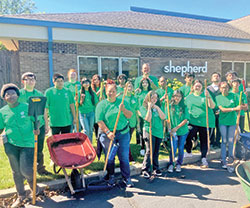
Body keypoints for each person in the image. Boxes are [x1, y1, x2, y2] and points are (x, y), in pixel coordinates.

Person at [0, 84, 40, 207]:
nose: (10, 96)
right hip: (11, 144)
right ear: (4, 98)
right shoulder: (2, 112)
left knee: (26, 170)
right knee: (16, 171)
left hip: (27, 143)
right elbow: (1, 128)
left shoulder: (27, 107)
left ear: (17, 95)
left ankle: (34, 187)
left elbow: (37, 120)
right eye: (7, 94)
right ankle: (21, 195)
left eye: (12, 93)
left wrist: (36, 129)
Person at [95, 79, 134, 187]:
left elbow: (129, 115)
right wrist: (108, 132)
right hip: (108, 134)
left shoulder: (123, 102)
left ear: (116, 91)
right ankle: (111, 176)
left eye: (113, 91)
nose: (111, 93)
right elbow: (99, 121)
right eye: (109, 91)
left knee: (124, 157)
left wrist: (123, 110)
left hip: (123, 133)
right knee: (110, 157)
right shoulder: (101, 105)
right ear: (105, 91)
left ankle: (126, 177)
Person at [18, 72, 51, 175]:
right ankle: (26, 171)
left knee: (39, 148)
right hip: (26, 127)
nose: (31, 81)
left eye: (33, 79)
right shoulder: (19, 94)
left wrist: (46, 125)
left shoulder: (39, 94)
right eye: (28, 79)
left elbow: (44, 110)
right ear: (23, 81)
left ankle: (40, 168)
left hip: (39, 125)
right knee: (27, 149)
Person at [185, 80, 216, 167]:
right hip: (193, 121)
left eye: (199, 86)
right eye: (196, 86)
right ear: (193, 87)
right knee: (188, 135)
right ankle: (188, 151)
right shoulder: (189, 97)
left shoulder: (206, 96)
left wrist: (208, 97)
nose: (197, 87)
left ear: (202, 87)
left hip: (206, 122)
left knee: (204, 140)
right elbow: (184, 106)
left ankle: (203, 157)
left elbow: (212, 106)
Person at [139, 91, 166, 178]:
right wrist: (149, 108)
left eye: (155, 98)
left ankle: (155, 168)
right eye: (152, 98)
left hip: (158, 131)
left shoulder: (159, 106)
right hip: (149, 130)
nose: (154, 100)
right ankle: (145, 169)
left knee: (156, 151)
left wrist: (157, 108)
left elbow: (163, 117)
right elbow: (147, 119)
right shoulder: (143, 107)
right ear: (148, 98)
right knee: (149, 150)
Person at [215, 81, 241, 168]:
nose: (224, 89)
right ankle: (223, 159)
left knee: (230, 140)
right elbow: (222, 109)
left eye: (226, 87)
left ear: (228, 88)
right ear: (220, 88)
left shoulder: (233, 96)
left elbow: (239, 107)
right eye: (222, 87)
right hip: (223, 122)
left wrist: (239, 108)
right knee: (224, 140)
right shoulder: (218, 97)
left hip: (232, 122)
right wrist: (234, 108)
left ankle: (230, 157)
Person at [165, 90, 190, 173]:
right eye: (176, 96)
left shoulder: (184, 107)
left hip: (182, 131)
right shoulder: (169, 107)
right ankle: (171, 163)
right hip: (172, 131)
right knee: (173, 148)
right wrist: (170, 129)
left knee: (181, 147)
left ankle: (179, 163)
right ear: (173, 96)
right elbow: (167, 119)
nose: (177, 98)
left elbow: (186, 119)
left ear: (181, 97)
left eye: (179, 96)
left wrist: (177, 127)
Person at [135, 78, 152, 156]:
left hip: (149, 113)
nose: (145, 84)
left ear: (148, 84)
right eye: (143, 83)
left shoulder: (150, 93)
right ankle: (142, 147)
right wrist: (138, 113)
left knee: (149, 131)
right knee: (141, 131)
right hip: (141, 114)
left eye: (146, 83)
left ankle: (150, 147)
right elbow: (136, 104)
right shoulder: (139, 93)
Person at [79, 77, 98, 143]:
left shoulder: (92, 93)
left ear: (90, 84)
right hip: (83, 114)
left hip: (91, 113)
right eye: (84, 82)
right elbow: (77, 105)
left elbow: (96, 104)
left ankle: (90, 144)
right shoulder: (79, 93)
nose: (86, 84)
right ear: (82, 84)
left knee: (90, 130)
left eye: (87, 82)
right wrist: (81, 100)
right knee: (86, 130)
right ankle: (86, 144)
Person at [125, 81, 138, 161]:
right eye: (128, 86)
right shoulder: (122, 98)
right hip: (125, 122)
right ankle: (129, 157)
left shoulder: (134, 98)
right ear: (125, 88)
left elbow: (136, 110)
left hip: (132, 122)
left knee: (128, 140)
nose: (130, 88)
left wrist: (138, 123)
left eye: (131, 87)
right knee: (126, 140)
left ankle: (126, 155)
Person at [207, 72, 221, 148]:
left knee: (219, 127)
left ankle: (218, 142)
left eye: (217, 76)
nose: (216, 77)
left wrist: (220, 109)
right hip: (211, 111)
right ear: (211, 79)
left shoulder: (222, 88)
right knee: (211, 127)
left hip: (220, 110)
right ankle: (211, 142)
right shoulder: (208, 89)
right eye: (214, 76)